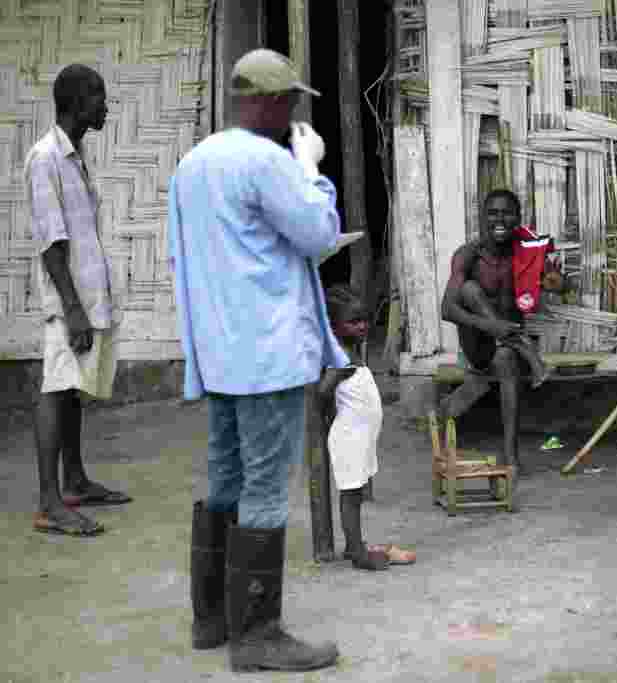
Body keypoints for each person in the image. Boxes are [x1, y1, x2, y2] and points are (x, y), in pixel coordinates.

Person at [168, 49, 350, 672]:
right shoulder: (269, 161)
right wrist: (311, 168)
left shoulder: (193, 163)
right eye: (292, 101)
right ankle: (258, 634)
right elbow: (320, 235)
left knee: (225, 478)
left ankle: (211, 619)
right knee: (267, 488)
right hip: (267, 353)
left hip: (218, 352)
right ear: (272, 102)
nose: (295, 111)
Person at [26, 64, 132, 538]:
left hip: (86, 297)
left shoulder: (75, 156)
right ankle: (50, 502)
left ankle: (75, 481)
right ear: (75, 102)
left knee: (70, 389)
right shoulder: (45, 157)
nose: (105, 106)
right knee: (55, 388)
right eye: (99, 98)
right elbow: (53, 242)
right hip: (67, 300)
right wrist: (72, 308)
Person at [439, 189, 555, 473]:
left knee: (505, 359)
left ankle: (511, 457)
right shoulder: (468, 256)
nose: (499, 219)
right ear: (482, 218)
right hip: (478, 346)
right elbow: (447, 309)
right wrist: (491, 325)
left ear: (518, 218)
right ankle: (529, 352)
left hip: (505, 348)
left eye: (507, 213)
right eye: (493, 213)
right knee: (468, 289)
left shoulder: (526, 253)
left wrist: (555, 282)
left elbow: (557, 282)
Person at [318, 284, 416, 571]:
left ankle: (353, 544)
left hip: (360, 436)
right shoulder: (340, 358)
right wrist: (334, 382)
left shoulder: (352, 351)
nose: (362, 326)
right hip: (349, 436)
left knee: (356, 493)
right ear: (335, 327)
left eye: (364, 319)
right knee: (350, 495)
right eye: (353, 322)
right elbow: (322, 393)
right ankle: (358, 553)